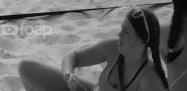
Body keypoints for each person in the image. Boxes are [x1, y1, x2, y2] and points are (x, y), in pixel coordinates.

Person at [19, 6, 169, 91]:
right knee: (26, 68)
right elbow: (73, 56)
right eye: (121, 29)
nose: (120, 34)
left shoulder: (149, 80)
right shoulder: (113, 48)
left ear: (142, 41)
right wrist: (68, 74)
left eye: (126, 32)